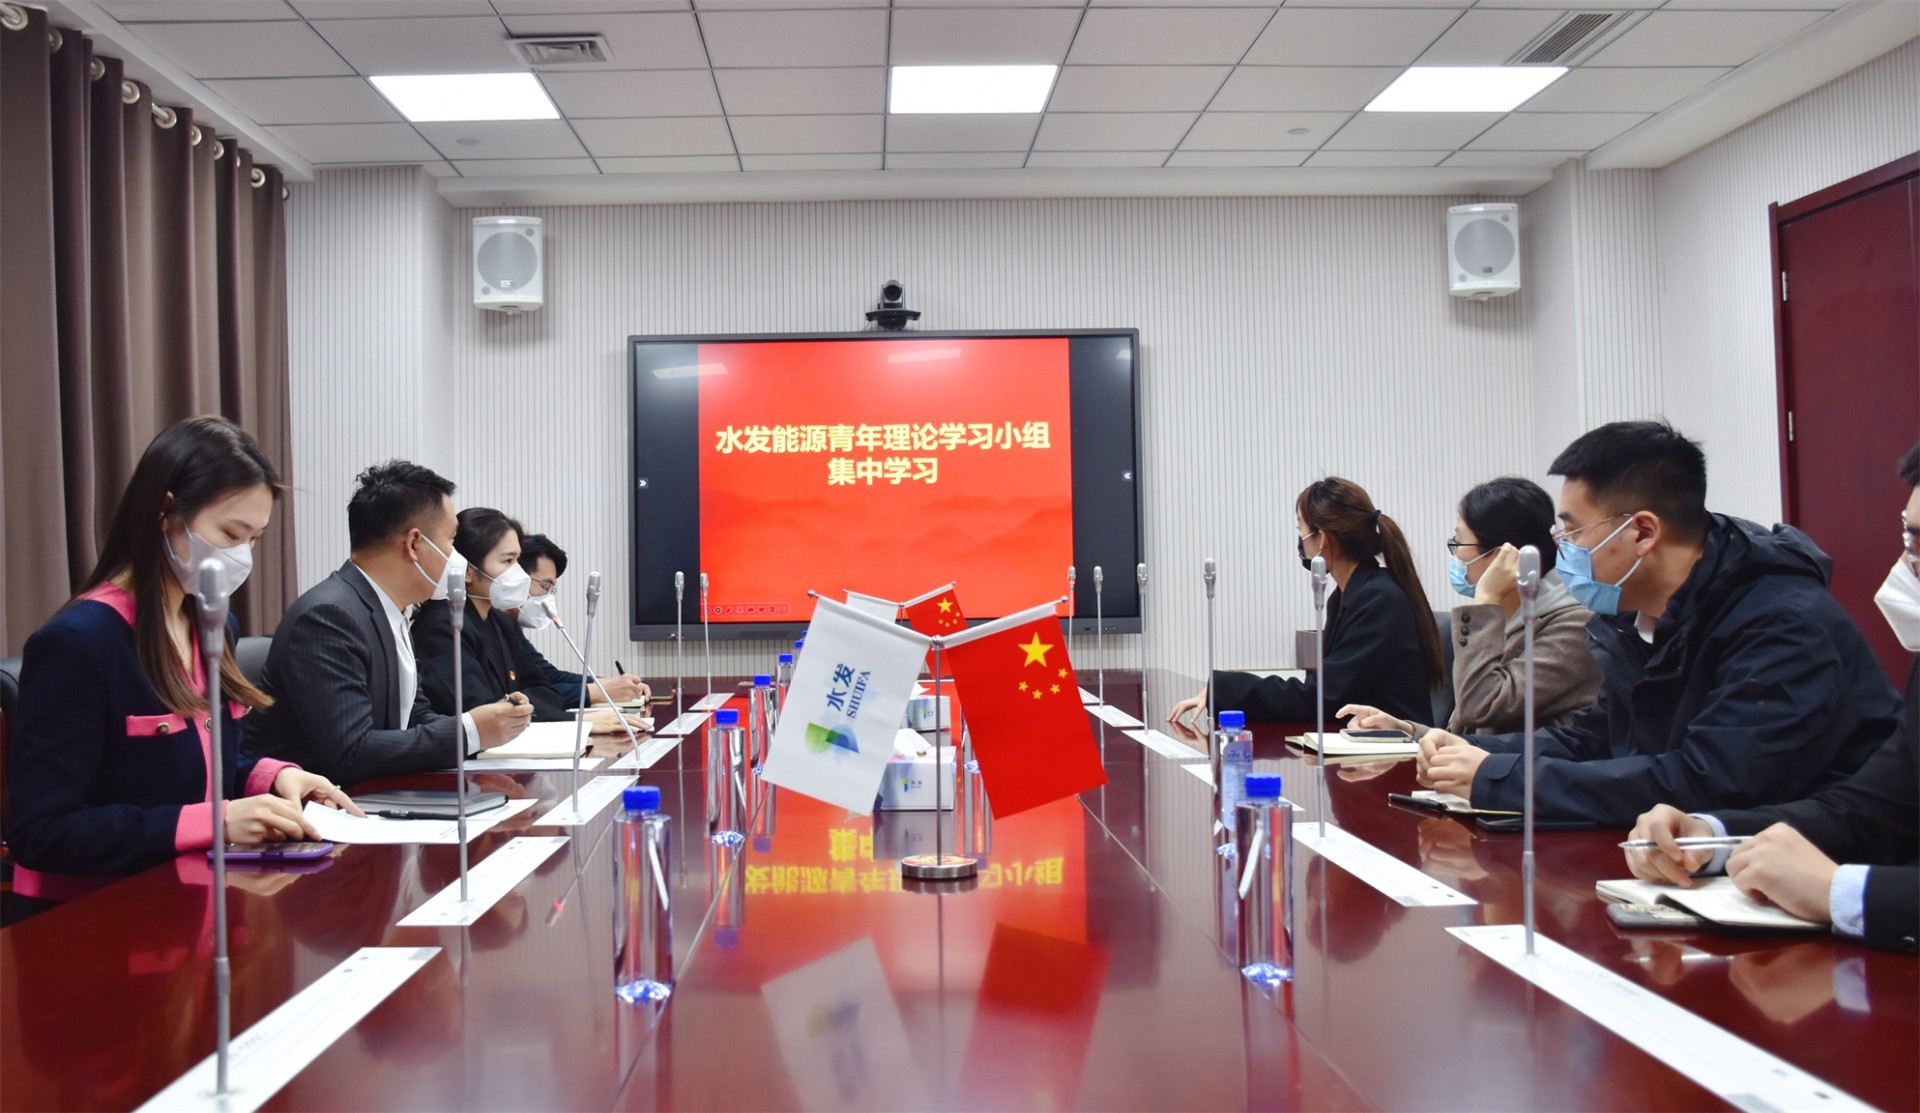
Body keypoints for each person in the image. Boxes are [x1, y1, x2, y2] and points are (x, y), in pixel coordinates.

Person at [1417, 421, 1899, 825]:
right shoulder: (1636, 618)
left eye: (1573, 531)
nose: (1561, 550)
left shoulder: (1781, 623)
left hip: (1808, 867)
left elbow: (1705, 781)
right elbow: (1595, 738)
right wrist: (1471, 751)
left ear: (1643, 532)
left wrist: (1500, 778)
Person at [6, 417, 358, 924]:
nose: (241, 556)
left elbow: (193, 768)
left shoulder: (214, 625)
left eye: (254, 540)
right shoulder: (79, 643)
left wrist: (273, 776)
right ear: (166, 511)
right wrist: (215, 821)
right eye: (231, 534)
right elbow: (44, 832)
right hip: (87, 920)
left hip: (189, 904)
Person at [1623, 442, 1920, 953]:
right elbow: (1867, 810)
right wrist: (1706, 835)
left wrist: (1839, 892)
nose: (1910, 564)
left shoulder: (1782, 616)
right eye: (1911, 538)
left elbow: (1711, 769)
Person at [246, 461, 532, 785]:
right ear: (414, 544)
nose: (458, 559)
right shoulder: (329, 616)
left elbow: (414, 715)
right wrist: (469, 732)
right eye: (452, 540)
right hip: (309, 807)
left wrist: (487, 726)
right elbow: (350, 752)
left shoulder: (390, 610)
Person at [1169, 477, 1445, 725]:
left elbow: (1324, 698)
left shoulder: (1379, 600)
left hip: (1396, 754)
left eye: (1301, 529)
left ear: (1321, 538)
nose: (1300, 540)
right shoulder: (1349, 595)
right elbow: (1329, 691)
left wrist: (1225, 689)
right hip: (1364, 743)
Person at [1340, 477, 1602, 736]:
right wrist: (1405, 730)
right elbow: (1466, 735)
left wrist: (1486, 598)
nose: (1456, 556)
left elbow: (1480, 707)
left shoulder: (1575, 628)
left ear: (1501, 556)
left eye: (1459, 543)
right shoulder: (1507, 618)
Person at [412, 510, 632, 734]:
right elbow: (482, 712)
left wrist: (515, 703)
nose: (520, 574)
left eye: (517, 561)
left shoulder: (501, 622)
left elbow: (545, 689)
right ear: (467, 571)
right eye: (508, 561)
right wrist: (573, 721)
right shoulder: (445, 625)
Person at [513, 532, 650, 705]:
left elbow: (548, 676)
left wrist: (612, 684)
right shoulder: (487, 627)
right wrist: (598, 691)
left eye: (551, 590)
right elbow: (520, 695)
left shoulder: (511, 629)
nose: (547, 598)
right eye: (545, 586)